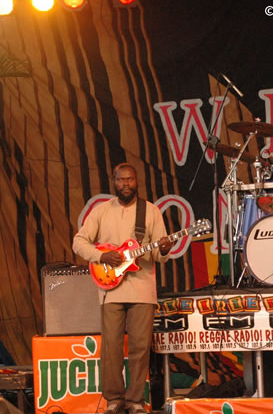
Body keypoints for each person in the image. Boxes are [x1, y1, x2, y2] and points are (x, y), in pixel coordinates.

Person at [73, 163, 173, 414]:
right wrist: (100, 256)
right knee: (111, 348)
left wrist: (163, 249)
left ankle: (136, 400)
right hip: (110, 289)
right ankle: (114, 399)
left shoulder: (150, 211)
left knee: (140, 347)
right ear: (114, 182)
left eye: (130, 179)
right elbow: (78, 242)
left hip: (142, 288)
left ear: (136, 181)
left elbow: (160, 256)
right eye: (121, 180)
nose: (126, 184)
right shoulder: (101, 211)